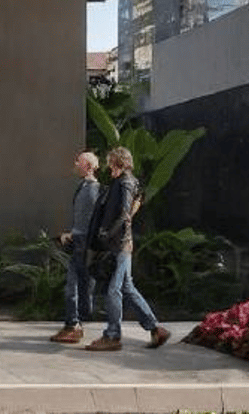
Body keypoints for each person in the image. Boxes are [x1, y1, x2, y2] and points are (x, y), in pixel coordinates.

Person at [84, 146, 171, 351]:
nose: (108, 166)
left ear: (119, 162)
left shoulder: (125, 182)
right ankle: (156, 329)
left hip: (120, 244)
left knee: (115, 289)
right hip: (118, 243)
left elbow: (124, 214)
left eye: (111, 162)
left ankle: (113, 336)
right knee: (126, 287)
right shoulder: (118, 182)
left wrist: (108, 234)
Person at [49, 150, 100, 344]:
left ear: (87, 166)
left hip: (83, 245)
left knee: (75, 286)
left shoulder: (92, 189)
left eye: (78, 161)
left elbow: (89, 222)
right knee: (74, 286)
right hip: (78, 243)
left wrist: (72, 235)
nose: (75, 163)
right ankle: (73, 325)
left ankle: (74, 325)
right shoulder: (85, 187)